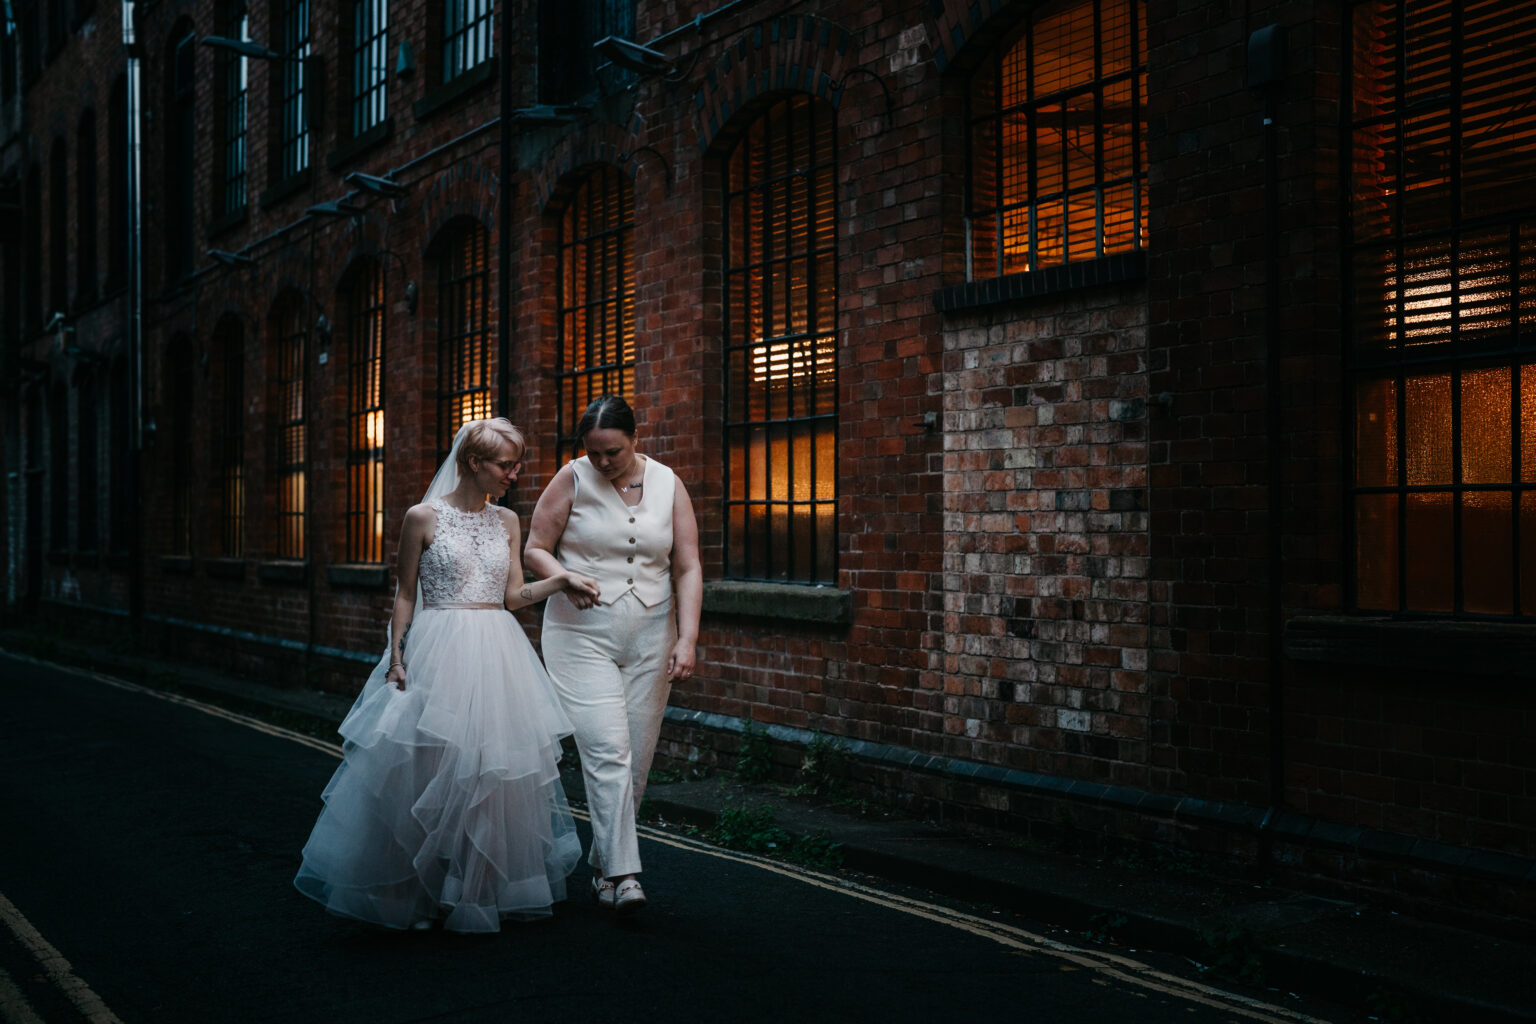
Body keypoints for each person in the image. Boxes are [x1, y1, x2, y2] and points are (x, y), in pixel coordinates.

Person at [294, 418, 600, 933]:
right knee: (424, 771)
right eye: (506, 464)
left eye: (517, 463)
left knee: (489, 775)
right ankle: (411, 891)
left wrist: (561, 578)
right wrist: (396, 657)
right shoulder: (422, 517)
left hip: (497, 652)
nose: (515, 474)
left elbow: (511, 597)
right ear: (474, 463)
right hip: (438, 649)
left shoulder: (507, 521)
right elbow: (406, 593)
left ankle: (476, 891)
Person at [524, 395, 702, 915]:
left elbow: (687, 566)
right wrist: (561, 576)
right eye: (595, 453)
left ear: (635, 440)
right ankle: (626, 876)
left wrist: (686, 638)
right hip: (579, 635)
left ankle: (604, 867)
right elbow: (535, 545)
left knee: (638, 760)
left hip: (652, 634)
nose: (603, 463)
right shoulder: (571, 478)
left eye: (614, 453)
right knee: (608, 751)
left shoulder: (669, 483)